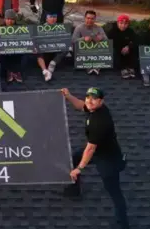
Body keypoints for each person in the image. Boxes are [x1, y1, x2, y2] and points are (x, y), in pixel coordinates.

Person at [61, 87, 129, 229]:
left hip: (107, 158)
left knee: (114, 191)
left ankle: (123, 223)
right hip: (98, 150)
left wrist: (79, 168)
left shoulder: (100, 121)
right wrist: (69, 96)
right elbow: (81, 105)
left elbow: (90, 148)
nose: (89, 101)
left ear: (101, 101)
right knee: (73, 158)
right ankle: (75, 190)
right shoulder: (92, 108)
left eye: (94, 98)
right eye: (88, 97)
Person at [0, 9, 23, 83]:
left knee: (22, 54)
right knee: (2, 55)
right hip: (3, 50)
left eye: (12, 19)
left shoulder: (20, 28)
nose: (10, 21)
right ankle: (9, 72)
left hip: (16, 49)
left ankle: (16, 72)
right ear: (5, 19)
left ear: (15, 20)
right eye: (8, 19)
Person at [72, 10, 107, 75]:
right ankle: (89, 67)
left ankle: (95, 67)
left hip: (95, 51)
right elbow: (73, 40)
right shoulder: (79, 28)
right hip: (82, 52)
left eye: (92, 19)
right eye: (88, 18)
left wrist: (101, 37)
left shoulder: (99, 28)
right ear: (85, 18)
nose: (90, 20)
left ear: (95, 19)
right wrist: (83, 39)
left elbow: (107, 40)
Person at [37, 13, 69, 82]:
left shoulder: (61, 28)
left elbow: (64, 41)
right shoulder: (40, 28)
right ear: (46, 19)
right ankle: (45, 71)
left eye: (54, 17)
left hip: (55, 53)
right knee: (36, 49)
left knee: (66, 47)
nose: (53, 19)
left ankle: (53, 63)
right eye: (51, 17)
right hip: (44, 52)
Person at [106, 14, 138, 79]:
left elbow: (135, 40)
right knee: (114, 51)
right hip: (118, 51)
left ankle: (131, 67)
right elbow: (111, 44)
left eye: (125, 23)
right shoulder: (112, 32)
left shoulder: (130, 31)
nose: (123, 25)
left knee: (135, 48)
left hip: (128, 51)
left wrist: (128, 47)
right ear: (117, 23)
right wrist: (121, 49)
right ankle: (122, 68)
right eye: (121, 23)